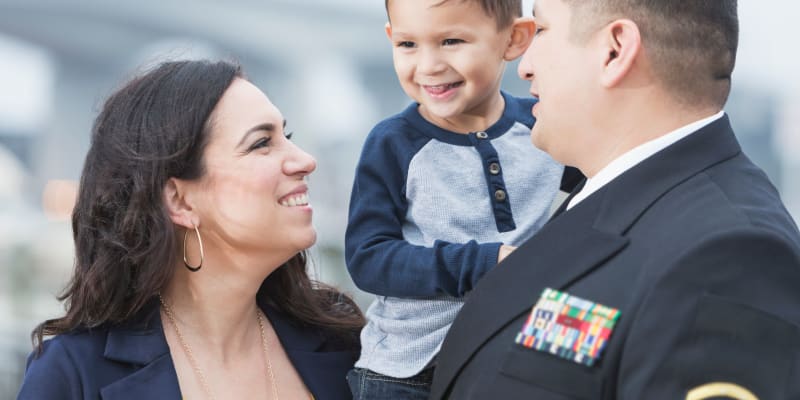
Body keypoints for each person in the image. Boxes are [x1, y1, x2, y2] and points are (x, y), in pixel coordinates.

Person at [431, 0, 800, 398]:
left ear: (615, 50)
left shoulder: (730, 257)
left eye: (542, 30)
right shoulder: (624, 199)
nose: (524, 65)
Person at [17, 59, 364, 400]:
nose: (306, 160)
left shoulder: (344, 343)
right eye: (262, 143)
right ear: (180, 201)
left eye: (286, 136)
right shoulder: (75, 373)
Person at [344, 0, 571, 398]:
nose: (428, 65)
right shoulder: (393, 143)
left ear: (514, 39)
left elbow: (608, 191)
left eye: (451, 40)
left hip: (515, 360)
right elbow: (368, 258)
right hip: (406, 375)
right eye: (408, 45)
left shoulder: (542, 127)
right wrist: (483, 263)